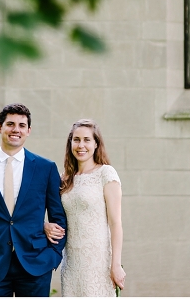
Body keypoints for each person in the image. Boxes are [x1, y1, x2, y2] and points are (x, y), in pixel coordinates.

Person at [0, 103, 68, 297]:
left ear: (28, 131)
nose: (15, 129)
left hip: (35, 264)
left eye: (21, 125)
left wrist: (53, 255)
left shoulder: (45, 168)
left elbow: (58, 217)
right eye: (10, 124)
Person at [44, 119, 125, 297]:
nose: (81, 145)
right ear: (70, 143)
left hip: (98, 261)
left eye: (87, 140)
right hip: (71, 262)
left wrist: (116, 264)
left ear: (96, 144)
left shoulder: (106, 173)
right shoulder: (63, 178)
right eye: (76, 139)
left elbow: (115, 223)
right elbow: (48, 212)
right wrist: (45, 226)